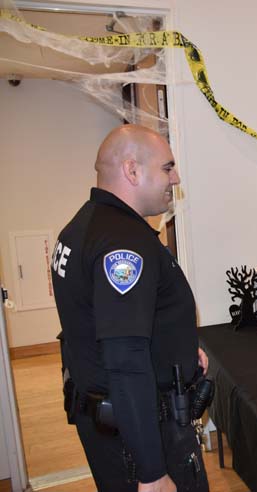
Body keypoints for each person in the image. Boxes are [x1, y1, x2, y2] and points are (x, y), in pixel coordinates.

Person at [51, 124, 210, 492]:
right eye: (168, 167)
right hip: (141, 434)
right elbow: (124, 356)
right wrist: (152, 474)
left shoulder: (83, 226)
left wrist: (179, 347)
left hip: (113, 423)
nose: (176, 177)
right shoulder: (124, 243)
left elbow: (98, 323)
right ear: (132, 171)